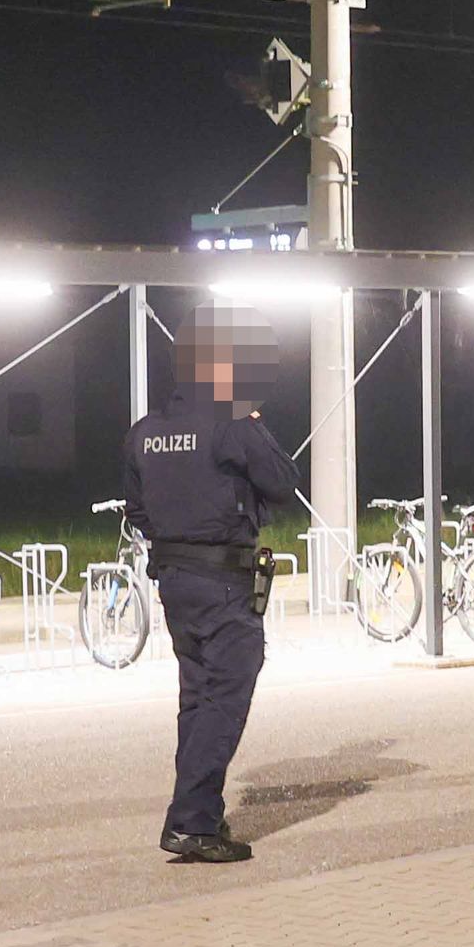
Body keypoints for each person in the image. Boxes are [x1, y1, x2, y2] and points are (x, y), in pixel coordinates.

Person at [121, 312, 298, 860]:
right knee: (225, 696)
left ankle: (203, 816)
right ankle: (191, 822)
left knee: (197, 699)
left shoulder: (145, 433)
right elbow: (283, 483)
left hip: (175, 583)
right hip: (224, 581)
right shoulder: (230, 424)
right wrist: (254, 422)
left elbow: (137, 511)